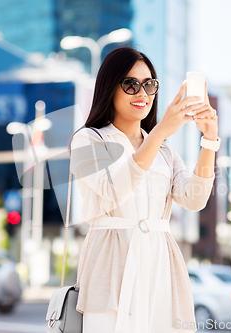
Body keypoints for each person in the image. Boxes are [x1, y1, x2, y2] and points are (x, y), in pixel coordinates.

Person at [68, 46, 219, 333]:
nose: (143, 93)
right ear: (109, 88)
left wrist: (209, 140)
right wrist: (161, 130)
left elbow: (195, 199)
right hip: (110, 261)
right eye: (130, 84)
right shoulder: (88, 140)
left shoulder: (165, 153)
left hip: (159, 263)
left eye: (149, 84)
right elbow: (112, 190)